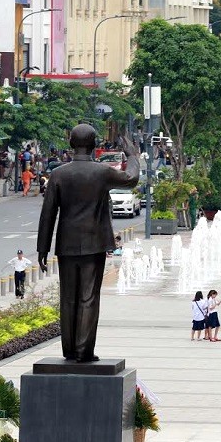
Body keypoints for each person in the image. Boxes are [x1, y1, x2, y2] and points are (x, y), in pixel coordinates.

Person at [37, 124, 140, 363]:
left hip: (67, 244)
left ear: (71, 144)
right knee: (88, 297)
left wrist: (43, 247)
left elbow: (48, 213)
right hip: (93, 243)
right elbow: (131, 179)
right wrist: (132, 155)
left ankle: (70, 351)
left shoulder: (59, 174)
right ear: (94, 145)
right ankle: (84, 351)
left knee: (68, 298)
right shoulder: (102, 172)